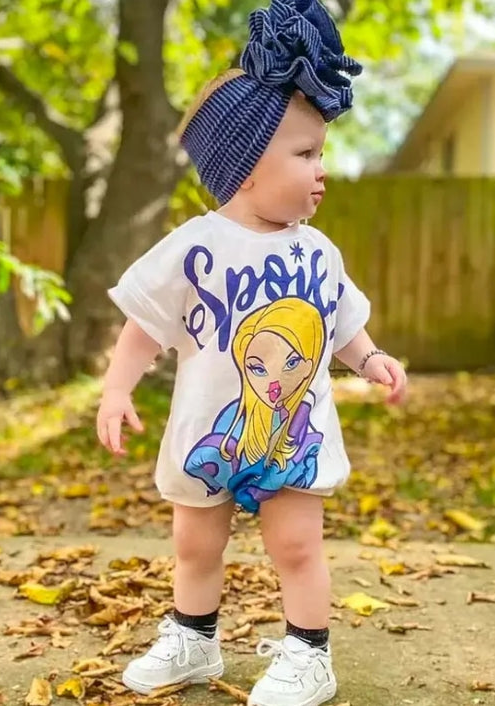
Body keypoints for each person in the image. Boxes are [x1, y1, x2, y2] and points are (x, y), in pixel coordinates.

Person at [96, 1, 407, 704]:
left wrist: (371, 360)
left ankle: (309, 655)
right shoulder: (194, 245)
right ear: (245, 167)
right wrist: (117, 389)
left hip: (293, 436)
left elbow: (340, 323)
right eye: (305, 154)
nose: (322, 170)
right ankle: (194, 639)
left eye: (321, 153)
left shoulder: (318, 252)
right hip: (213, 431)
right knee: (195, 544)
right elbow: (144, 323)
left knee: (296, 546)